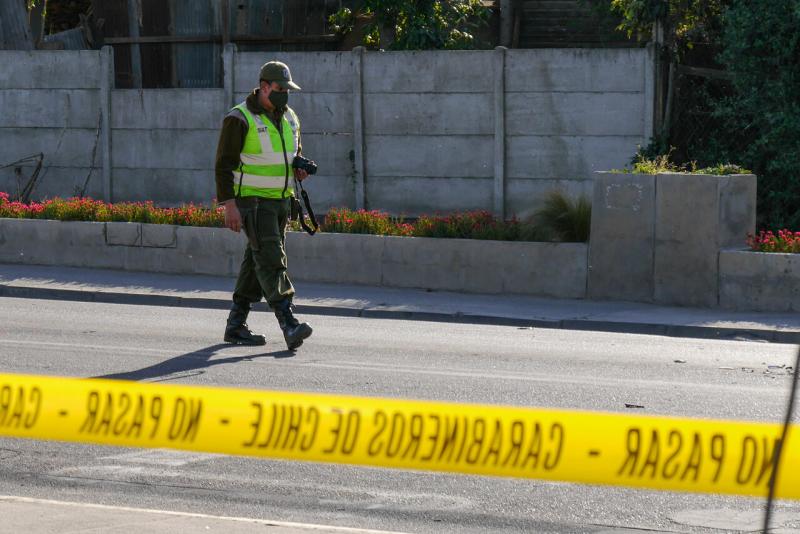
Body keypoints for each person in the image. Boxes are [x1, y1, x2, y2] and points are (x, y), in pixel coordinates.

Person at [214, 60, 312, 350]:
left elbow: (293, 152)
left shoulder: (290, 116)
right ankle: (289, 322)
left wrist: (299, 167)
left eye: (288, 90)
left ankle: (236, 326)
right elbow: (223, 166)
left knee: (255, 263)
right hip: (254, 203)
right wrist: (229, 206)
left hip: (281, 201)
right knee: (271, 260)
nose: (285, 94)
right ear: (265, 86)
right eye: (281, 89)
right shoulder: (239, 118)